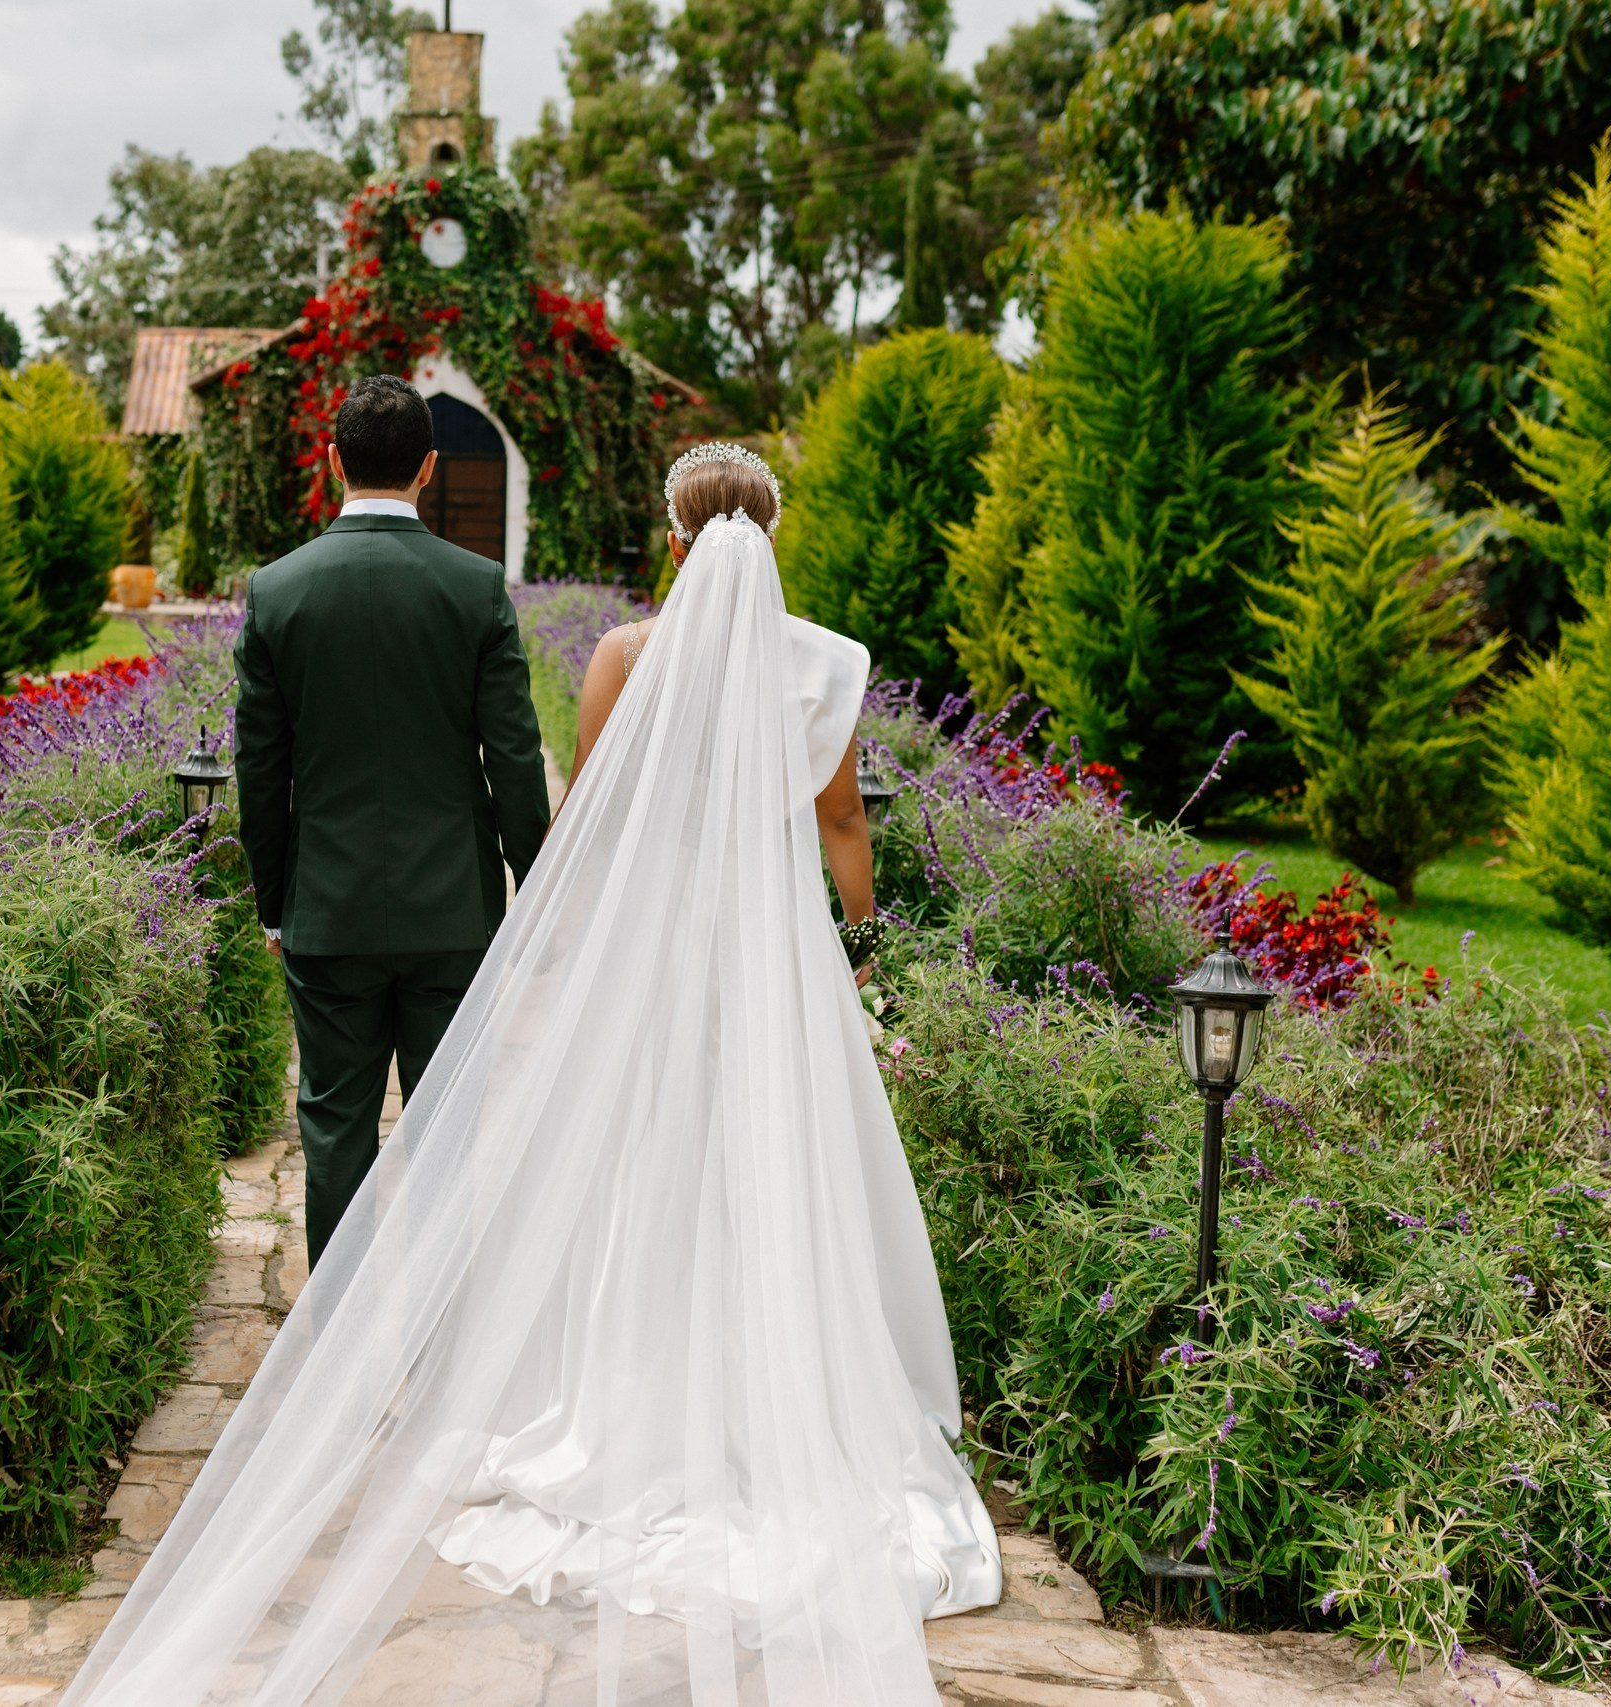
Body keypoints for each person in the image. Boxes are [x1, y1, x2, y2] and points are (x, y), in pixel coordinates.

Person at [68, 442, 1001, 1707]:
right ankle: (782, 1399)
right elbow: (841, 827)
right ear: (771, 536)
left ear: (673, 541)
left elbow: (595, 825)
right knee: (782, 1161)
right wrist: (858, 941)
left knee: (649, 1163)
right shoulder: (821, 666)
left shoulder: (625, 658)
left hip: (661, 957)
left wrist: (561, 938)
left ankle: (631, 1405)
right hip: (775, 957)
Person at [232, 374, 551, 1268]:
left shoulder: (278, 591)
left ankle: (340, 1333)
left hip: (326, 909)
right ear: (429, 468)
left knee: (334, 1127)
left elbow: (262, 767)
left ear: (333, 462)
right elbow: (515, 760)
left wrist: (273, 900)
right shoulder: (476, 587)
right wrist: (536, 884)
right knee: (448, 1126)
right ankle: (441, 1337)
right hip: (453, 909)